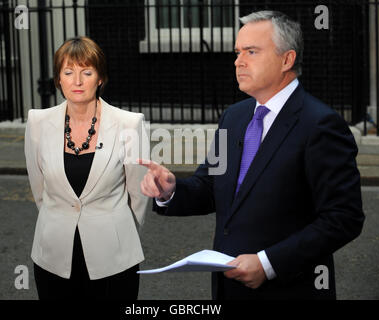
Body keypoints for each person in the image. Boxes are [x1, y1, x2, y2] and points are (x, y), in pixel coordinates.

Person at [139, 11, 364, 300]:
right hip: (228, 288)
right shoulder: (234, 117)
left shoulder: (320, 124)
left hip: (288, 290)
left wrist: (269, 264)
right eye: (237, 52)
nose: (238, 61)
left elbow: (343, 217)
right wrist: (170, 190)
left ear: (287, 59)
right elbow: (210, 185)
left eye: (252, 51)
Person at [25, 36, 148, 300]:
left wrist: (118, 233)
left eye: (87, 72)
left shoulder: (129, 124)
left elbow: (138, 194)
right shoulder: (37, 122)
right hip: (54, 256)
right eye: (68, 72)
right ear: (59, 79)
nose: (77, 81)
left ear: (100, 78)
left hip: (114, 258)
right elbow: (39, 190)